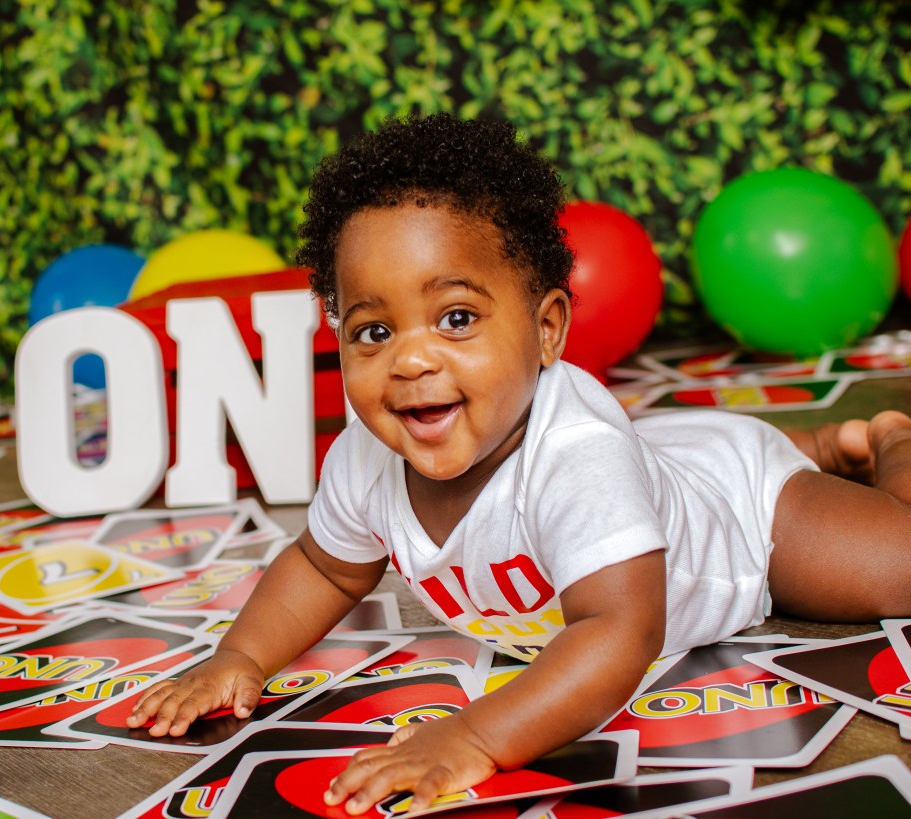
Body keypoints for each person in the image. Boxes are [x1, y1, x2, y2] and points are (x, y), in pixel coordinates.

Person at [128, 113, 911, 814]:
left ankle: (883, 441)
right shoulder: (365, 456)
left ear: (547, 330)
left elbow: (619, 629)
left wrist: (475, 736)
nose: (411, 360)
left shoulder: (577, 457)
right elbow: (324, 568)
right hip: (660, 460)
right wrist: (240, 655)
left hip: (745, 511)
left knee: (899, 564)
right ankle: (821, 444)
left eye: (455, 317)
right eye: (373, 331)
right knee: (654, 461)